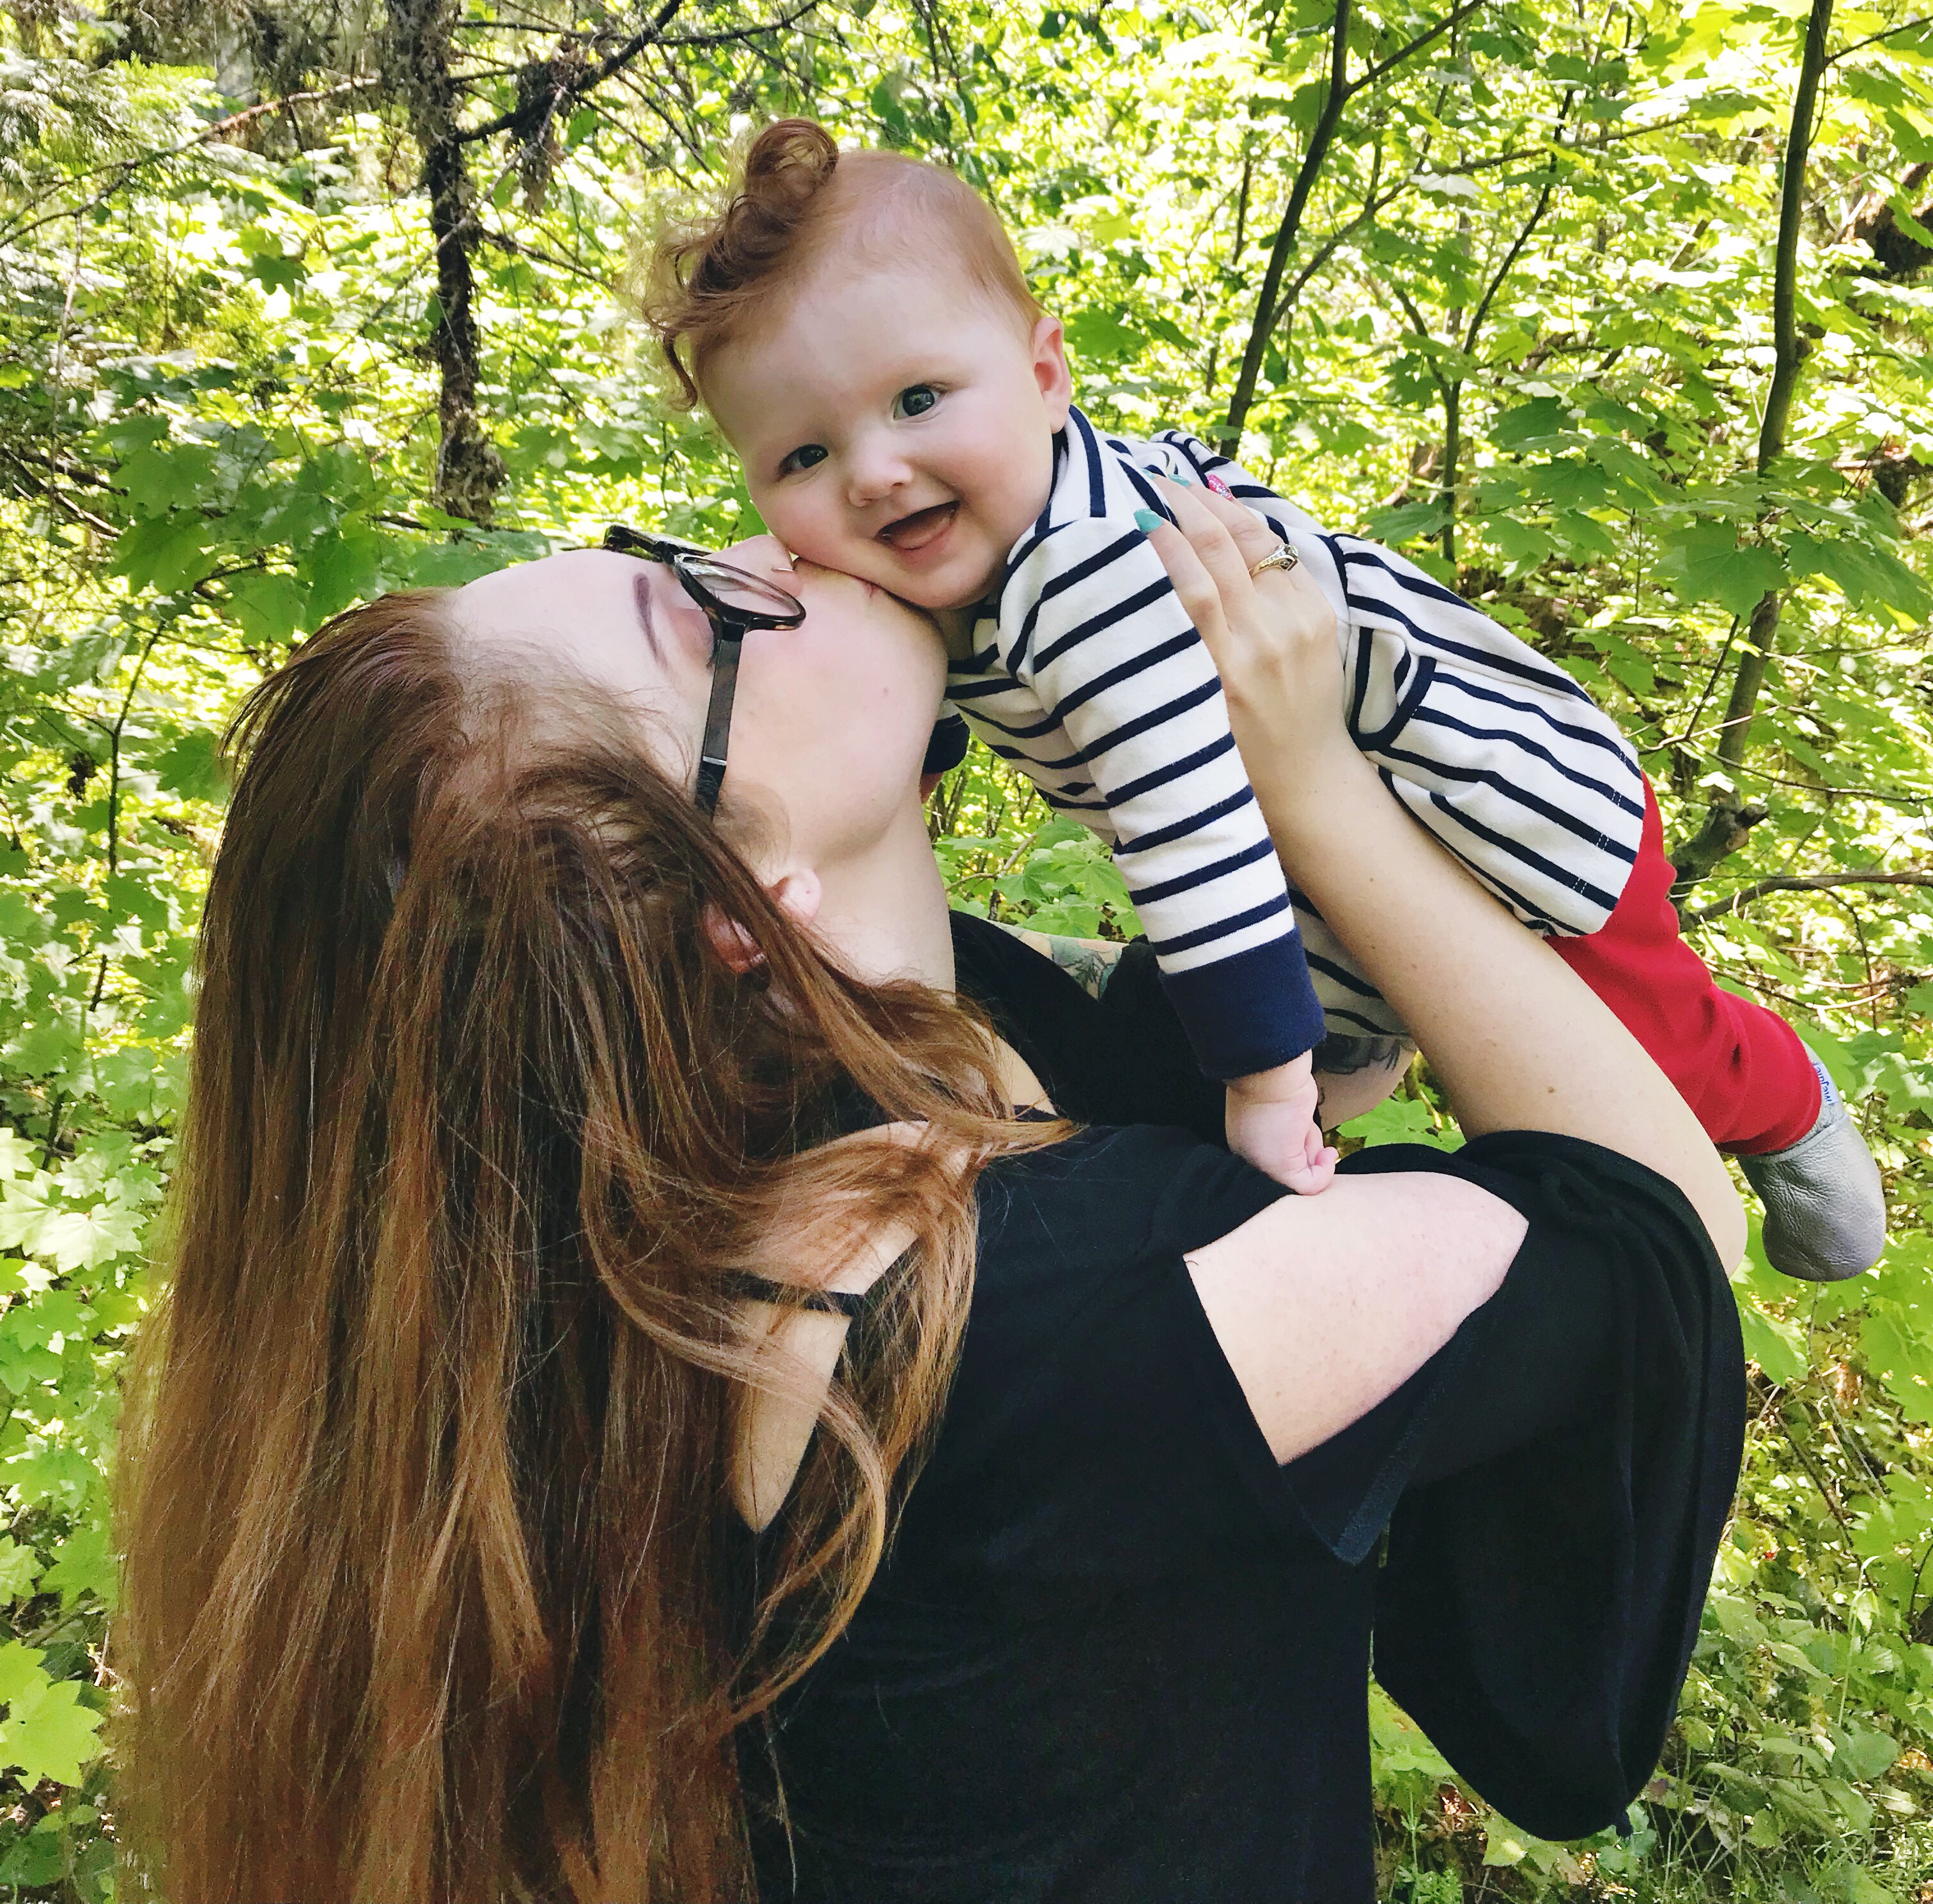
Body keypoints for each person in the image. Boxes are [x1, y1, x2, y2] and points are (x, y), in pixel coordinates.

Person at [116, 478, 1746, 1903]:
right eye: (700, 614)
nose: (778, 542)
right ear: (737, 901)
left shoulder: (687, 1196)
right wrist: (1315, 787)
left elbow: (1276, 1083)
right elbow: (1665, 1229)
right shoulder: (1072, 1315)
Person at [644, 116, 1885, 1276]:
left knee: (1643, 1048)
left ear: (1045, 373)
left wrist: (1266, 1080)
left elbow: (1196, 835)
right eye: (802, 455)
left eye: (918, 401)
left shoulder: (1085, 579)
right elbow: (919, 708)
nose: (872, 472)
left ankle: (1787, 1103)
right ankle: (1354, 1025)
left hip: (1508, 811)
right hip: (1344, 862)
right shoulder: (959, 546)